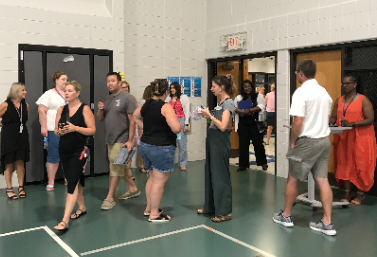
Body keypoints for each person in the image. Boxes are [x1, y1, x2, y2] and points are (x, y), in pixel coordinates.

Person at [273, 59, 336, 236]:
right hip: (324, 141)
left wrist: (293, 141)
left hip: (306, 142)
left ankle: (285, 216)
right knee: (322, 180)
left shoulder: (301, 93)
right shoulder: (324, 93)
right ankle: (327, 222)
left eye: (297, 73)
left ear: (300, 73)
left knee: (293, 178)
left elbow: (298, 121)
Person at [134, 79, 181, 222]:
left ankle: (149, 208)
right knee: (159, 181)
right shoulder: (166, 107)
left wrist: (145, 127)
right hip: (161, 147)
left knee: (153, 178)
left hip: (145, 146)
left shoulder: (145, 104)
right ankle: (154, 213)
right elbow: (176, 128)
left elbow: (135, 116)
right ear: (166, 92)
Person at [53, 81, 96, 232]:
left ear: (77, 93)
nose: (67, 93)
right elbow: (56, 131)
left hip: (79, 151)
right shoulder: (61, 109)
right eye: (65, 91)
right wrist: (61, 132)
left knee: (71, 183)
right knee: (74, 179)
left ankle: (64, 221)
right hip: (64, 150)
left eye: (70, 90)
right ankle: (82, 207)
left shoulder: (84, 109)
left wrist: (75, 128)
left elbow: (92, 130)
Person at [330, 75, 376, 205]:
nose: (345, 86)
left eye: (347, 83)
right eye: (343, 83)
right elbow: (333, 117)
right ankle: (347, 193)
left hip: (360, 137)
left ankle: (360, 195)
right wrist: (329, 122)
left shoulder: (363, 100)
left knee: (360, 164)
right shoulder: (339, 100)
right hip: (343, 138)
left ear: (355, 84)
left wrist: (353, 124)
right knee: (345, 164)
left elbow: (370, 119)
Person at [97, 72, 139, 210]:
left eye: (113, 80)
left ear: (120, 83)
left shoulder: (127, 98)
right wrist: (100, 109)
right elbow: (100, 118)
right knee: (121, 166)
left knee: (115, 167)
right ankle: (133, 189)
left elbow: (132, 120)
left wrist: (130, 140)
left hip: (122, 139)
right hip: (110, 138)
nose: (110, 83)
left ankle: (110, 198)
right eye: (108, 81)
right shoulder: (107, 99)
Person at [197, 74, 236, 223]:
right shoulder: (219, 103)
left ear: (222, 87)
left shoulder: (228, 103)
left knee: (220, 174)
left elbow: (223, 126)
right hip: (212, 139)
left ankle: (225, 211)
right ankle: (211, 206)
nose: (211, 89)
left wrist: (210, 115)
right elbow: (215, 122)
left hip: (220, 140)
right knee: (211, 172)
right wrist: (206, 116)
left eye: (214, 86)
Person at [36, 71, 68, 191]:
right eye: (63, 79)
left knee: (68, 154)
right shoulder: (49, 94)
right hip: (52, 130)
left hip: (68, 129)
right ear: (56, 80)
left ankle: (68, 178)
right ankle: (51, 181)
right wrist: (43, 126)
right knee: (53, 156)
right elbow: (41, 110)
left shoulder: (69, 93)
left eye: (66, 79)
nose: (65, 82)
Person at [0, 83, 30, 200]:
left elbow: (24, 120)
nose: (25, 92)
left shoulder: (25, 105)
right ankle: (9, 188)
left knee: (20, 161)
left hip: (22, 135)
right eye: (23, 90)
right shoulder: (5, 105)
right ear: (16, 91)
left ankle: (21, 187)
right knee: (9, 162)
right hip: (9, 136)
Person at [234, 80, 268, 172]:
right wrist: (244, 112)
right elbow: (235, 108)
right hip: (243, 124)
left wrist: (249, 110)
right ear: (243, 88)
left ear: (252, 87)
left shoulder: (258, 96)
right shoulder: (239, 97)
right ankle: (243, 165)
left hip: (255, 124)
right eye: (245, 87)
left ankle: (263, 163)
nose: (247, 88)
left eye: (249, 86)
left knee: (258, 144)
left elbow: (261, 106)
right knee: (243, 145)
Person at [166, 82, 190, 171]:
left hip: (181, 121)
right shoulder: (168, 98)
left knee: (181, 144)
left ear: (177, 88)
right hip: (170, 121)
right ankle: (169, 163)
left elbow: (187, 112)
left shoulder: (184, 98)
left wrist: (186, 124)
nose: (172, 89)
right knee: (170, 144)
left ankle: (183, 163)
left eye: (173, 88)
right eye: (171, 88)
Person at [137, 85, 153, 173]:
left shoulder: (152, 102)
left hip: (150, 126)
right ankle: (142, 165)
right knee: (144, 146)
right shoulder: (143, 102)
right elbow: (139, 115)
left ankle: (147, 164)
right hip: (144, 127)